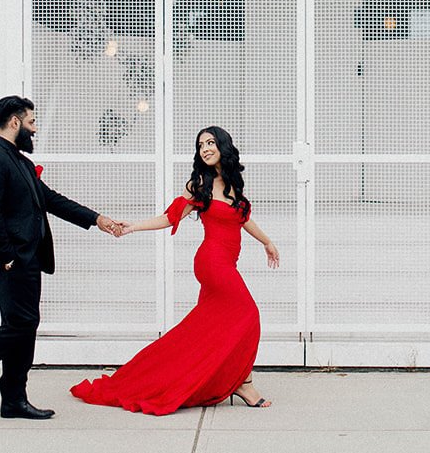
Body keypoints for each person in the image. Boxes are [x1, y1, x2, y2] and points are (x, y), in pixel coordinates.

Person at [70, 125, 279, 414]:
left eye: (210, 143)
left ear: (223, 147)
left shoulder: (233, 185)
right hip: (212, 261)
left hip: (228, 261)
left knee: (206, 329)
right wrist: (133, 226)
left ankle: (204, 376)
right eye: (200, 145)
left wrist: (266, 241)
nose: (205, 148)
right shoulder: (199, 185)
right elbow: (170, 218)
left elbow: (242, 218)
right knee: (247, 313)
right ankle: (243, 382)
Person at [0, 95, 124, 420]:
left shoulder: (21, 162)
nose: (35, 129)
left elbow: (51, 200)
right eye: (31, 122)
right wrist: (6, 257)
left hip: (27, 257)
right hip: (8, 260)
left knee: (23, 326)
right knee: (22, 323)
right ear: (14, 122)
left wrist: (97, 219)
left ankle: (13, 399)